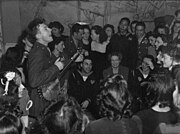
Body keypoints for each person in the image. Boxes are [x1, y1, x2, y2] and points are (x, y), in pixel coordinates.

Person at [27, 18, 64, 118]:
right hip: (40, 102)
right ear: (38, 35)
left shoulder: (44, 49)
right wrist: (55, 68)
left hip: (45, 98)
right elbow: (34, 81)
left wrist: (53, 65)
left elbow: (42, 69)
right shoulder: (38, 53)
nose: (50, 30)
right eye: (45, 29)